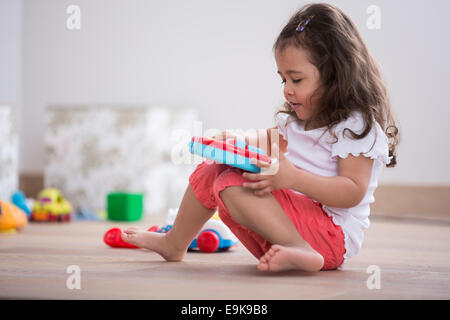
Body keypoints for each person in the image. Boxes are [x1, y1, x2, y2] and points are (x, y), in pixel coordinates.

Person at [121, 3, 399, 272]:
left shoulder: (356, 127)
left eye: (296, 79)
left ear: (335, 75)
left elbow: (352, 191)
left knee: (231, 183)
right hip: (286, 228)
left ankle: (300, 248)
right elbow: (269, 140)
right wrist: (234, 143)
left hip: (330, 239)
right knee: (212, 171)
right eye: (283, 80)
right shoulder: (295, 120)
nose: (287, 90)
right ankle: (174, 243)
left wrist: (294, 179)